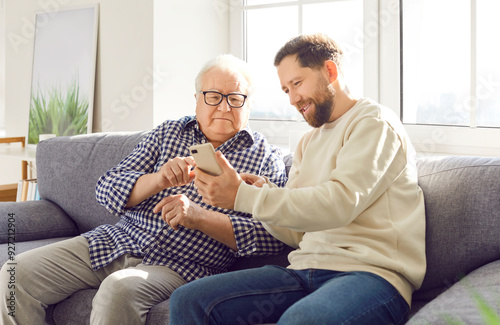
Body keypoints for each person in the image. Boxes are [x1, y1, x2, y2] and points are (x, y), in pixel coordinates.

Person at [0, 54, 287, 325]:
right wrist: (158, 180)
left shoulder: (265, 158)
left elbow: (273, 237)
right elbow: (106, 187)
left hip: (182, 265)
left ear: (248, 105)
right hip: (115, 242)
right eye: (213, 97)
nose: (224, 107)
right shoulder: (169, 133)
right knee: (16, 274)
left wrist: (197, 216)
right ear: (197, 100)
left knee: (118, 289)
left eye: (236, 98)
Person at [169, 33, 426, 325]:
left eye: (297, 84)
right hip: (304, 270)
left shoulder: (374, 124)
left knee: (303, 319)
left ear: (330, 71)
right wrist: (258, 194)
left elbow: (340, 203)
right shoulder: (308, 141)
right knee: (190, 300)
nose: (293, 99)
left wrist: (243, 195)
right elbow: (297, 234)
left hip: (371, 275)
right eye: (285, 90)